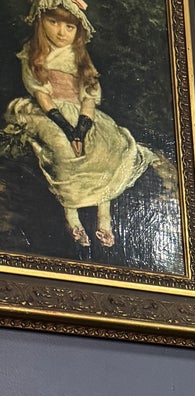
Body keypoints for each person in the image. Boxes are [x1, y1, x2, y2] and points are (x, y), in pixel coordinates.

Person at [6, 0, 158, 251]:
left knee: (105, 149)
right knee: (63, 151)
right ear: (40, 21)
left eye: (69, 27)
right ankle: (72, 215)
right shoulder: (33, 53)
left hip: (82, 113)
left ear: (78, 31)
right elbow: (42, 96)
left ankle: (104, 218)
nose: (61, 32)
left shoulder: (79, 57)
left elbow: (88, 97)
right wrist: (68, 130)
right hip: (49, 112)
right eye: (53, 22)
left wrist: (81, 128)